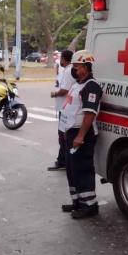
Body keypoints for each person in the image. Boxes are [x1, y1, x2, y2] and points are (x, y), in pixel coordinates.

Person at [59, 50, 103, 219]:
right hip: (71, 132)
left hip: (83, 133)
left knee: (83, 169)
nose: (74, 70)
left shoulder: (91, 86)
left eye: (77, 67)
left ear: (85, 67)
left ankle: (89, 205)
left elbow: (89, 113)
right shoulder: (78, 84)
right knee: (72, 168)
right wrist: (65, 132)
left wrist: (80, 136)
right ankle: (77, 201)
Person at [48, 50, 74, 171]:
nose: (60, 61)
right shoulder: (67, 70)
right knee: (63, 135)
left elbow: (64, 90)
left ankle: (63, 161)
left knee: (63, 136)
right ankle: (64, 160)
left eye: (61, 58)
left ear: (64, 58)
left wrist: (54, 94)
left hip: (66, 108)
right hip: (64, 107)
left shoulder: (69, 71)